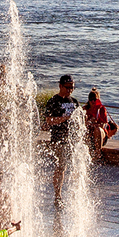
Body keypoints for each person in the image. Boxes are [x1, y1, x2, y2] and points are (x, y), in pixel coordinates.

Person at [43, 76, 78, 208]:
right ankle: (58, 196)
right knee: (61, 167)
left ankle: (74, 194)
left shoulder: (74, 101)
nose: (70, 90)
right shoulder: (54, 101)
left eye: (72, 87)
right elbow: (48, 120)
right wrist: (64, 119)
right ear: (60, 86)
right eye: (67, 87)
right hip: (59, 139)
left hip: (72, 139)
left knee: (71, 167)